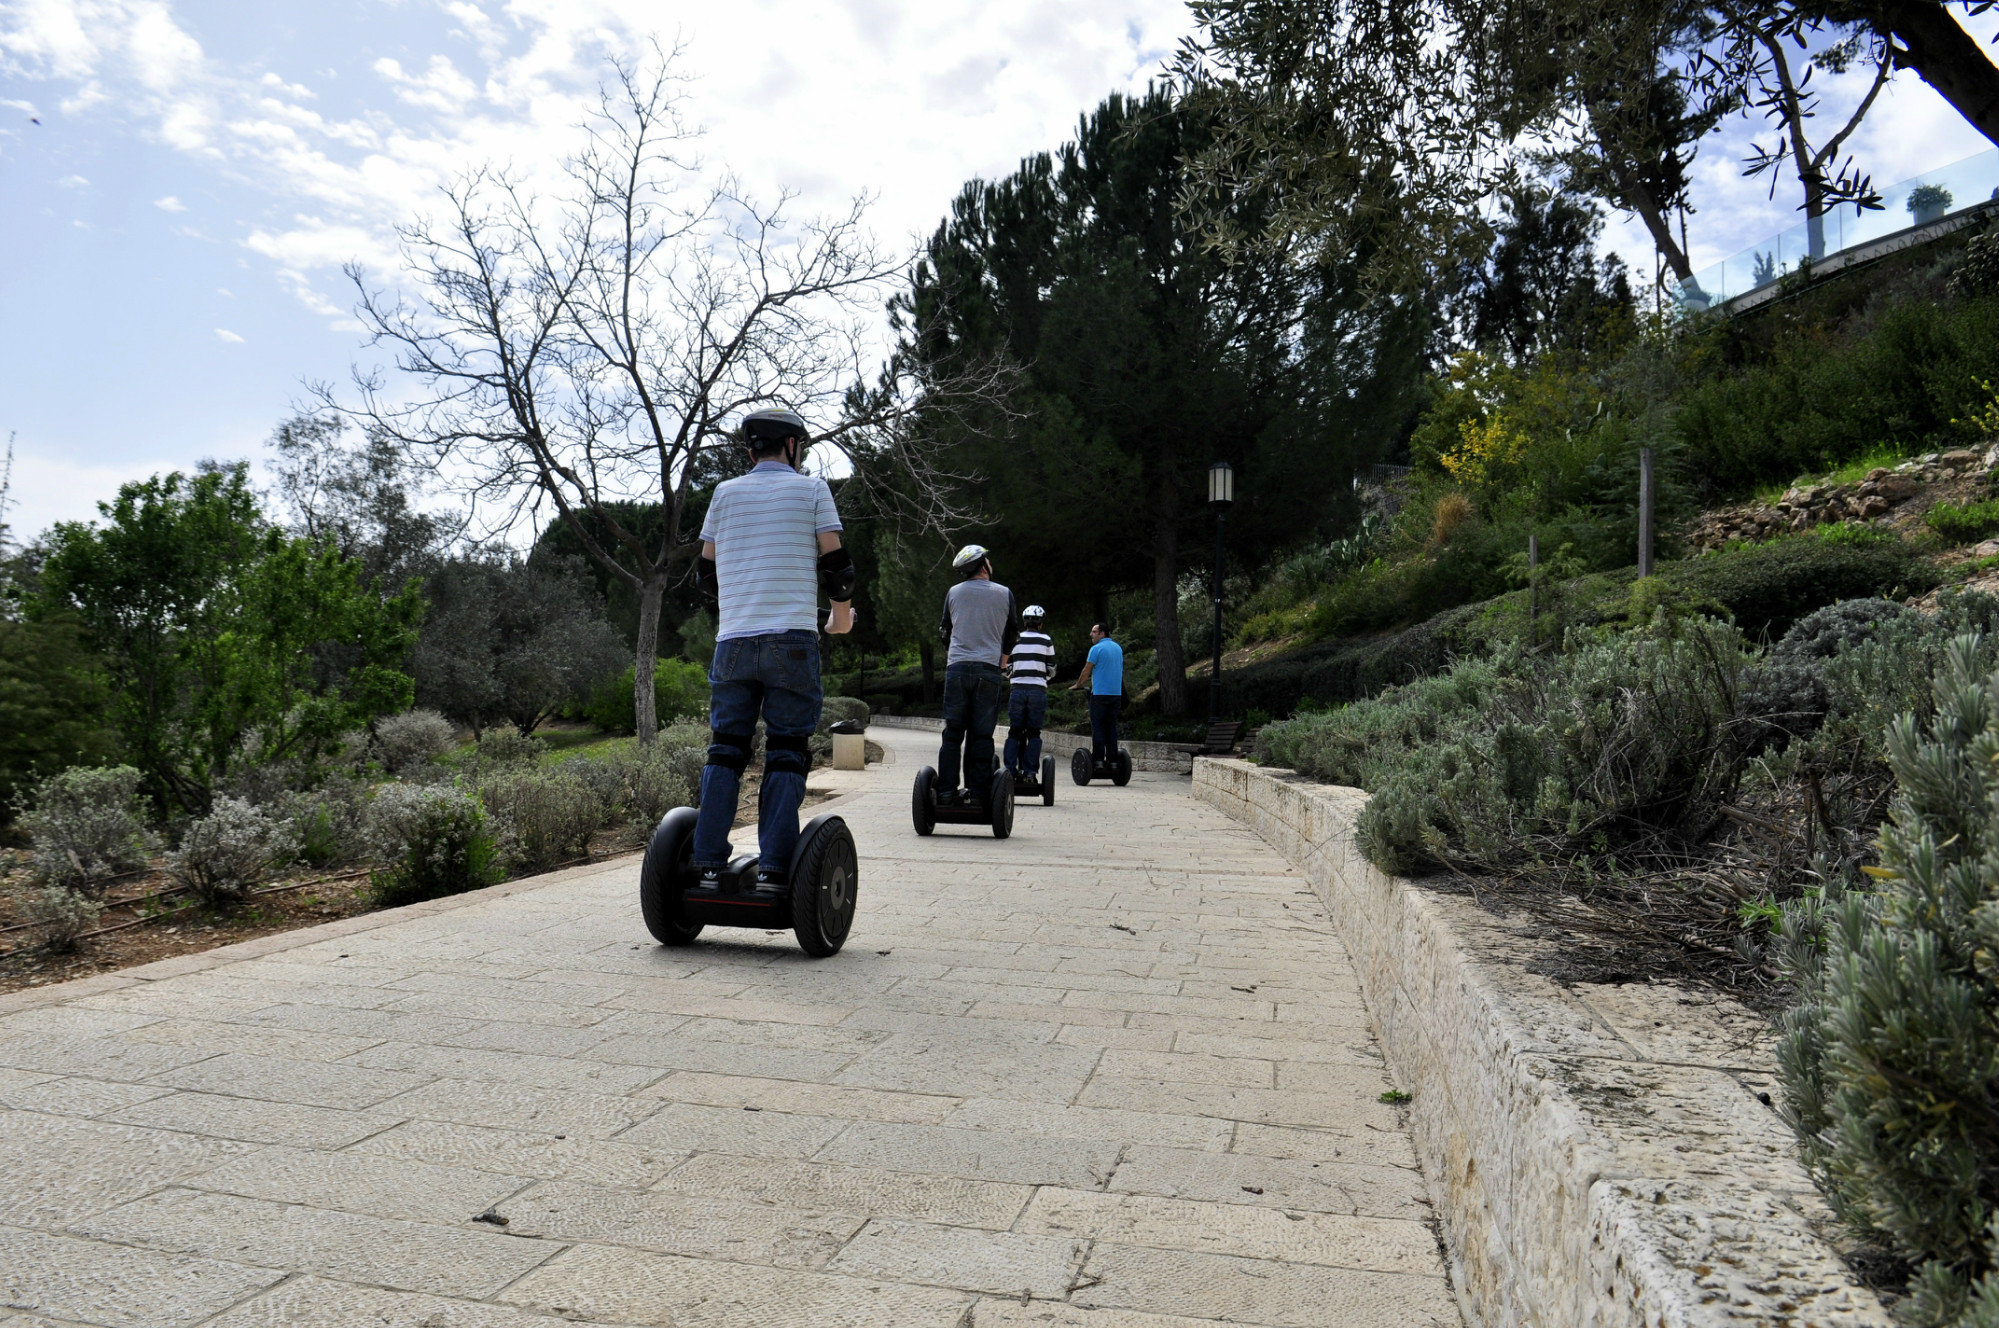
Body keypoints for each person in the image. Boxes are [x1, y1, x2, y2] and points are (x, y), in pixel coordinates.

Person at [691, 409, 855, 889]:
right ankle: (776, 870)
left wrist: (744, 600)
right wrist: (840, 618)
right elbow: (838, 567)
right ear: (792, 447)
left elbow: (705, 576)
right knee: (785, 751)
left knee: (725, 751)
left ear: (750, 451)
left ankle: (704, 865)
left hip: (734, 642)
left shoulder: (724, 493)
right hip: (793, 641)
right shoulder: (812, 489)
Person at [936, 544, 1020, 805]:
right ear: (984, 565)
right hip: (989, 670)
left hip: (958, 669)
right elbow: (1011, 635)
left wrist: (956, 656)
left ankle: (947, 792)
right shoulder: (1005, 593)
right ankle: (980, 794)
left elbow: (944, 632)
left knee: (953, 733)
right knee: (981, 735)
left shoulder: (953, 593)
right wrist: (1002, 663)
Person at [1003, 604, 1054, 779]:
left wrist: (1013, 676)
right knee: (1034, 732)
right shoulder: (1046, 640)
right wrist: (1041, 678)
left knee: (1014, 731)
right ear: (1040, 623)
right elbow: (1052, 668)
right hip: (1037, 690)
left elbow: (1006, 666)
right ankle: (1030, 772)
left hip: (1017, 689)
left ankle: (1009, 771)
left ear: (1025, 622)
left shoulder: (1014, 639)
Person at [1068, 622, 1123, 767]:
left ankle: (1098, 760)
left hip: (1099, 694)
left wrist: (1078, 685)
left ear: (1102, 633)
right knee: (1111, 726)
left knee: (1098, 726)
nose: (1091, 634)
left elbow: (1087, 670)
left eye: (1094, 632)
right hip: (1116, 694)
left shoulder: (1096, 649)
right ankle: (1113, 761)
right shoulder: (1118, 648)